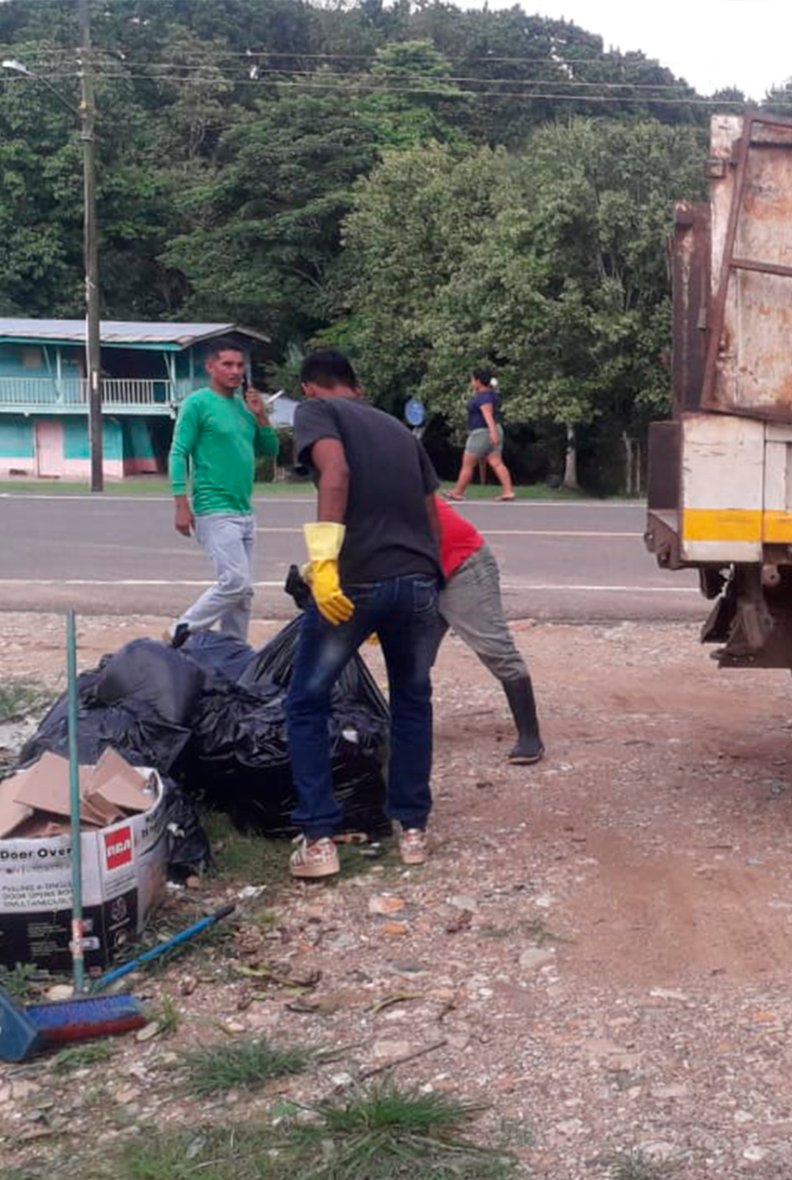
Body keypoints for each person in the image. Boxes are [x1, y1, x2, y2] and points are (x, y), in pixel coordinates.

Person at [285, 349, 443, 880]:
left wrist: (323, 562)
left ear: (310, 387)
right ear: (356, 384)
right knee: (413, 700)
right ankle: (413, 831)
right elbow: (429, 509)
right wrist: (428, 578)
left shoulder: (316, 413)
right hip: (418, 580)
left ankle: (319, 838)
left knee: (307, 700)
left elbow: (336, 474)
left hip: (355, 584)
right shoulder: (399, 429)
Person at [167, 339, 278, 647]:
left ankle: (233, 653)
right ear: (210, 367)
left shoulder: (245, 408)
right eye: (227, 364)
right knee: (234, 582)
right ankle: (181, 630)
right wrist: (180, 503)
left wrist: (261, 416)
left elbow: (269, 451)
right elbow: (178, 453)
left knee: (243, 594)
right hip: (214, 508)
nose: (235, 371)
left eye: (240, 365)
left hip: (244, 510)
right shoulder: (198, 403)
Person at [434, 495, 544, 764]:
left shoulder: (388, 477)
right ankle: (410, 732)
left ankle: (530, 736)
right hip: (424, 573)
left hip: (461, 566)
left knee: (495, 648)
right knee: (411, 658)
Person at [444, 368, 516, 501]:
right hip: (495, 429)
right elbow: (494, 387)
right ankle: (508, 491)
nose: (471, 382)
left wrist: (492, 433)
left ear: (478, 381)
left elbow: (487, 415)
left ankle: (458, 492)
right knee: (496, 462)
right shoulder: (492, 394)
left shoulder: (483, 398)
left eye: (472, 379)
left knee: (468, 464)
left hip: (482, 432)